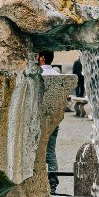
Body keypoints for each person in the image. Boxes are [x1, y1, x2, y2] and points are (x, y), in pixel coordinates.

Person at [37, 51, 64, 186]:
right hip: (53, 120)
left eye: (37, 56)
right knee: (51, 152)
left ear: (42, 58)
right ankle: (53, 180)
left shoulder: (37, 74)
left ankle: (35, 180)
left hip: (38, 120)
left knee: (35, 151)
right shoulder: (57, 75)